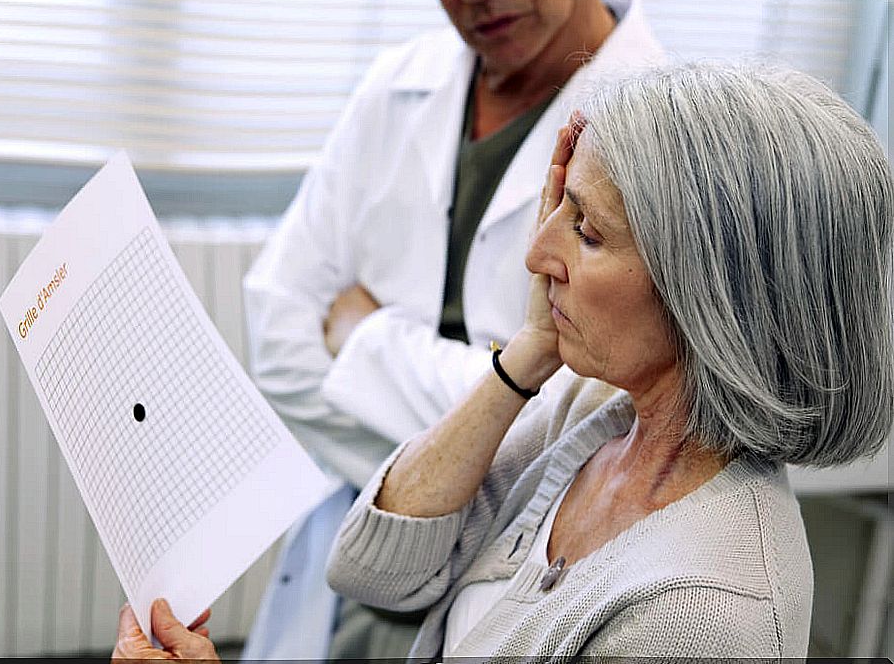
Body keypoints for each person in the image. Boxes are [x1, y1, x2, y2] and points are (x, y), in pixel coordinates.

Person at [112, 61, 893, 659]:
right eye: (559, 205)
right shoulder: (592, 413)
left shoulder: (707, 611)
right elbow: (373, 568)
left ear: (712, 295)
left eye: (585, 231)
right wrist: (527, 356)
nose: (536, 251)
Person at [241, 0, 663, 659]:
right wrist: (493, 425)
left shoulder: (668, 132)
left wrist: (365, 339)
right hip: (345, 579)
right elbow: (277, 339)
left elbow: (599, 423)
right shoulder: (396, 83)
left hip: (505, 600)